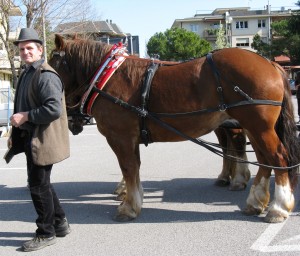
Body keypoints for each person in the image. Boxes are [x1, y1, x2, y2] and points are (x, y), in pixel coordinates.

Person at [8, 28, 71, 252]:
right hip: (31, 137)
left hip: (41, 140)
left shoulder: (45, 75)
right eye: (22, 49)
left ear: (40, 50)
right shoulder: (28, 73)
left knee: (37, 186)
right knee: (43, 184)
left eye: (30, 48)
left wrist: (25, 116)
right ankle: (60, 222)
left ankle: (46, 233)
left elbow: (53, 109)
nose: (25, 52)